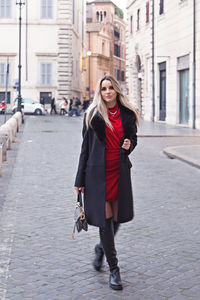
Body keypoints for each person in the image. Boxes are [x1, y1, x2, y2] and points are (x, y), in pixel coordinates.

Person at [74, 75, 139, 290]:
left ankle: (101, 249)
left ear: (117, 90)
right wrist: (79, 179)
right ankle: (114, 270)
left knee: (117, 218)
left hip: (119, 172)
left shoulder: (128, 115)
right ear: (99, 92)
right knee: (105, 219)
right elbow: (85, 149)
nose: (108, 91)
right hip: (97, 175)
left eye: (111, 88)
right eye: (104, 88)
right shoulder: (92, 115)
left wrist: (129, 145)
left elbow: (132, 139)